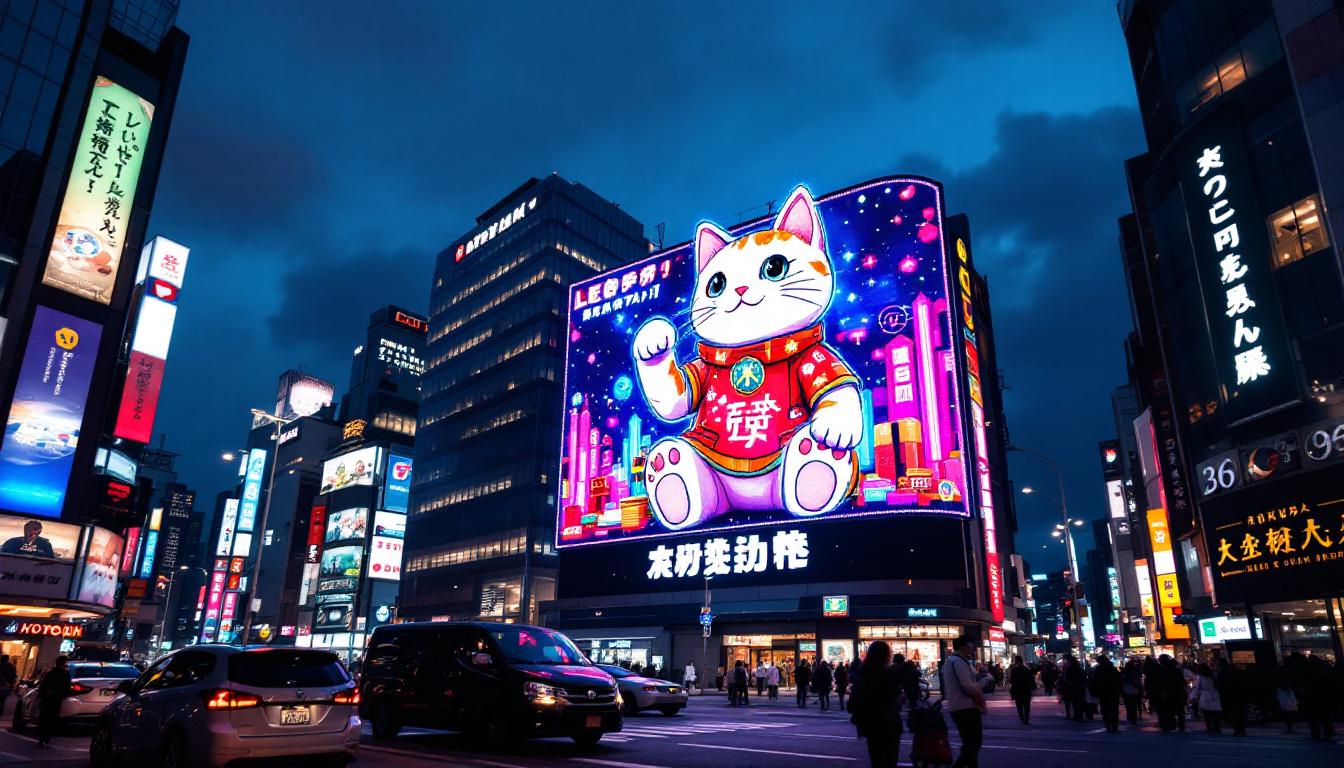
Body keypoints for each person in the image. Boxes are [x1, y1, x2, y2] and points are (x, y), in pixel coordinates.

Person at [850, 640, 902, 768]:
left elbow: (853, 702)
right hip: (889, 722)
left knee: (876, 758)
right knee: (890, 759)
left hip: (870, 723)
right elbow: (895, 698)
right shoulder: (889, 674)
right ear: (886, 655)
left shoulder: (861, 673)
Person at [942, 636, 986, 768]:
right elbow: (968, 687)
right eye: (970, 644)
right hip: (965, 707)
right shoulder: (958, 662)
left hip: (960, 706)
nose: (972, 646)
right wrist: (986, 680)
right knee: (973, 743)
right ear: (963, 646)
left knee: (970, 743)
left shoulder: (955, 661)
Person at [36, 656, 71, 747]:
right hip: (56, 700)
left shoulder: (50, 673)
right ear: (63, 664)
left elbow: (43, 686)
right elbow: (66, 688)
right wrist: (64, 695)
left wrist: (41, 697)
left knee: (44, 719)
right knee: (51, 720)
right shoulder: (65, 674)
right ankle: (46, 739)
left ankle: (42, 739)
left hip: (47, 699)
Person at [1091, 655, 1122, 733]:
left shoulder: (1098, 670)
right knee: (1113, 709)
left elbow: (1095, 681)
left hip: (1103, 692)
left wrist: (1095, 691)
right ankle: (1114, 726)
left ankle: (1108, 725)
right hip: (1113, 691)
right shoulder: (1113, 669)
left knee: (1105, 709)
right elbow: (1119, 680)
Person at [1215, 658, 1246, 736]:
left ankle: (1237, 728)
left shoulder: (1223, 673)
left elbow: (1219, 684)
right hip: (1238, 694)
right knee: (1239, 712)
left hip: (1228, 695)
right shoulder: (1236, 670)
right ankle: (1241, 729)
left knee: (1229, 713)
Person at [1191, 663, 1222, 734]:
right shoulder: (1213, 675)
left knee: (1206, 712)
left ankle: (1209, 728)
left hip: (1205, 695)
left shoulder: (1200, 677)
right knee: (1215, 712)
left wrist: (1194, 696)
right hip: (1214, 694)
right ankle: (1217, 727)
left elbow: (1197, 687)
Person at [1008, 655, 1036, 724]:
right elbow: (1030, 679)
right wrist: (1032, 687)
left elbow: (1012, 681)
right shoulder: (1026, 669)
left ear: (1017, 661)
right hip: (1026, 690)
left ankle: (1022, 717)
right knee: (1026, 705)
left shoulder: (1014, 670)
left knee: (1019, 705)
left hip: (1018, 690)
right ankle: (1026, 718)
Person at [1121, 657, 1144, 726]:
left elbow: (1121, 682)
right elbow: (1139, 682)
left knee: (1128, 706)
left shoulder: (1124, 673)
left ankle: (1129, 719)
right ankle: (1134, 720)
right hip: (1135, 690)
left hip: (1126, 690)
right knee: (1134, 706)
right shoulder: (1136, 672)